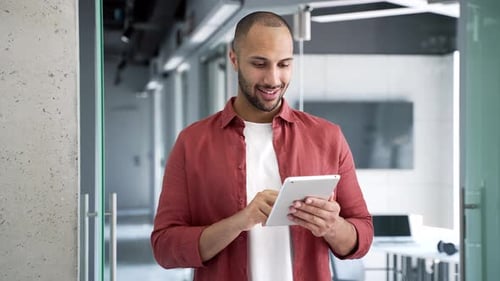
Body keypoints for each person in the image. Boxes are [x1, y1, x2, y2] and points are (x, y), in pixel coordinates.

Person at [151, 11, 373, 281]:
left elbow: (362, 237)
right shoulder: (192, 142)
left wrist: (331, 226)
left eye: (284, 64)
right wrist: (239, 222)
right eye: (259, 64)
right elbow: (164, 247)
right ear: (234, 59)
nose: (273, 79)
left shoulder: (327, 137)